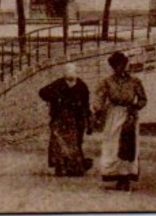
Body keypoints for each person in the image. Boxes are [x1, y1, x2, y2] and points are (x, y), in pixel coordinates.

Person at [94, 51, 147, 191]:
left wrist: (135, 107)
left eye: (124, 65)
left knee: (128, 145)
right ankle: (115, 175)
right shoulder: (107, 82)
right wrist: (98, 111)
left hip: (129, 116)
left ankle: (125, 177)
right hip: (113, 115)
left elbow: (143, 98)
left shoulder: (135, 81)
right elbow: (99, 98)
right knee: (112, 146)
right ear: (113, 66)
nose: (122, 68)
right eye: (118, 65)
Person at [38, 63, 92, 176]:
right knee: (59, 142)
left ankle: (74, 166)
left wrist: (88, 119)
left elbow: (86, 104)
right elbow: (42, 92)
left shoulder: (82, 86)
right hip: (60, 117)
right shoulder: (58, 84)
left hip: (76, 118)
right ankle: (60, 165)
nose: (71, 74)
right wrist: (55, 98)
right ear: (64, 73)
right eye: (68, 71)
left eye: (73, 71)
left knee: (75, 143)